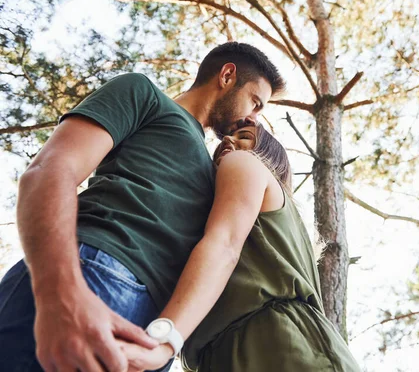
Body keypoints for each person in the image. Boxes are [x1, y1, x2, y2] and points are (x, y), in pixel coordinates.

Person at [0, 42, 285, 372]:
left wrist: (166, 344)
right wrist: (60, 293)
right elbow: (50, 170)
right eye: (255, 101)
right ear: (227, 75)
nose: (252, 117)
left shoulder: (217, 170)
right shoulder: (146, 95)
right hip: (98, 273)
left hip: (153, 336)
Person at [118, 124, 362, 372]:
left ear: (270, 153)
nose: (227, 139)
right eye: (225, 138)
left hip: (278, 343)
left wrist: (163, 340)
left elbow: (224, 245)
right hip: (227, 353)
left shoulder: (245, 163)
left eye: (244, 136)